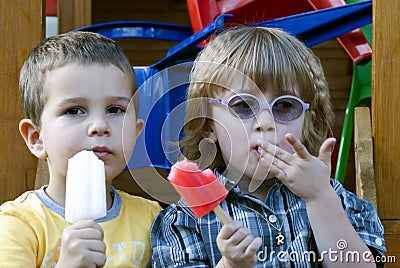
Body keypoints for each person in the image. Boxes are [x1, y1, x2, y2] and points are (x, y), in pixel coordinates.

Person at [151, 26, 386, 267]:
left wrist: (320, 199)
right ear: (208, 125)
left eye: (284, 106)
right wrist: (230, 265)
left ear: (307, 124)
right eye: (243, 105)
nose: (265, 123)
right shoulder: (183, 221)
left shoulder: (336, 199)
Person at [0, 31, 162, 267]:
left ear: (135, 133)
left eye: (115, 109)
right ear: (37, 138)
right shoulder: (18, 225)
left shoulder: (152, 218)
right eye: (74, 110)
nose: (99, 126)